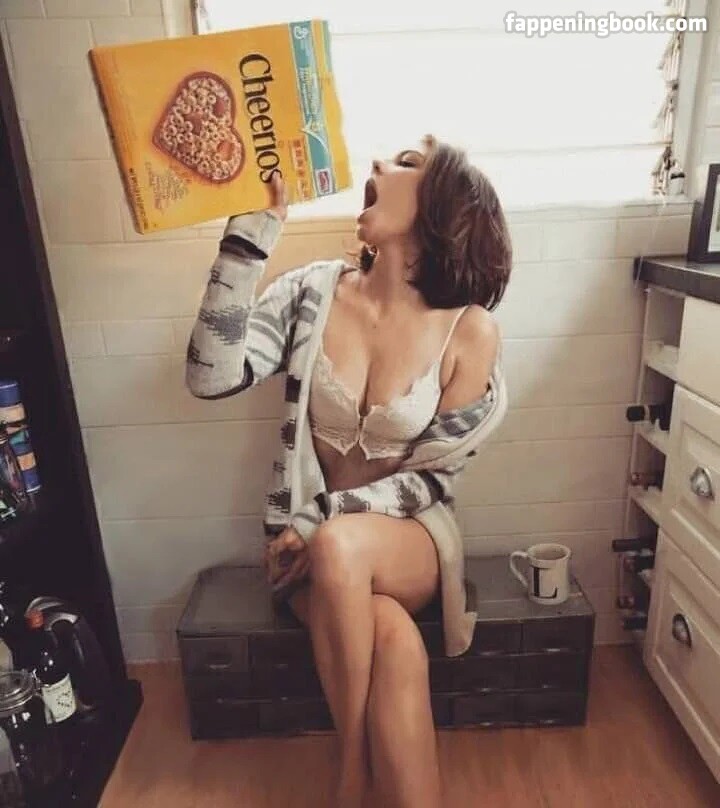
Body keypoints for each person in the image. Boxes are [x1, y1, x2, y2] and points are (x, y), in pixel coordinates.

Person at [186, 134, 512, 808]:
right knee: (394, 641)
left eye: (406, 163)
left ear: (446, 205)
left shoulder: (469, 329)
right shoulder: (311, 292)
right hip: (304, 559)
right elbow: (210, 376)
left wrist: (319, 517)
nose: (378, 166)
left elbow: (433, 478)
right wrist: (249, 238)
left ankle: (350, 771)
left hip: (406, 542)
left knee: (339, 541)